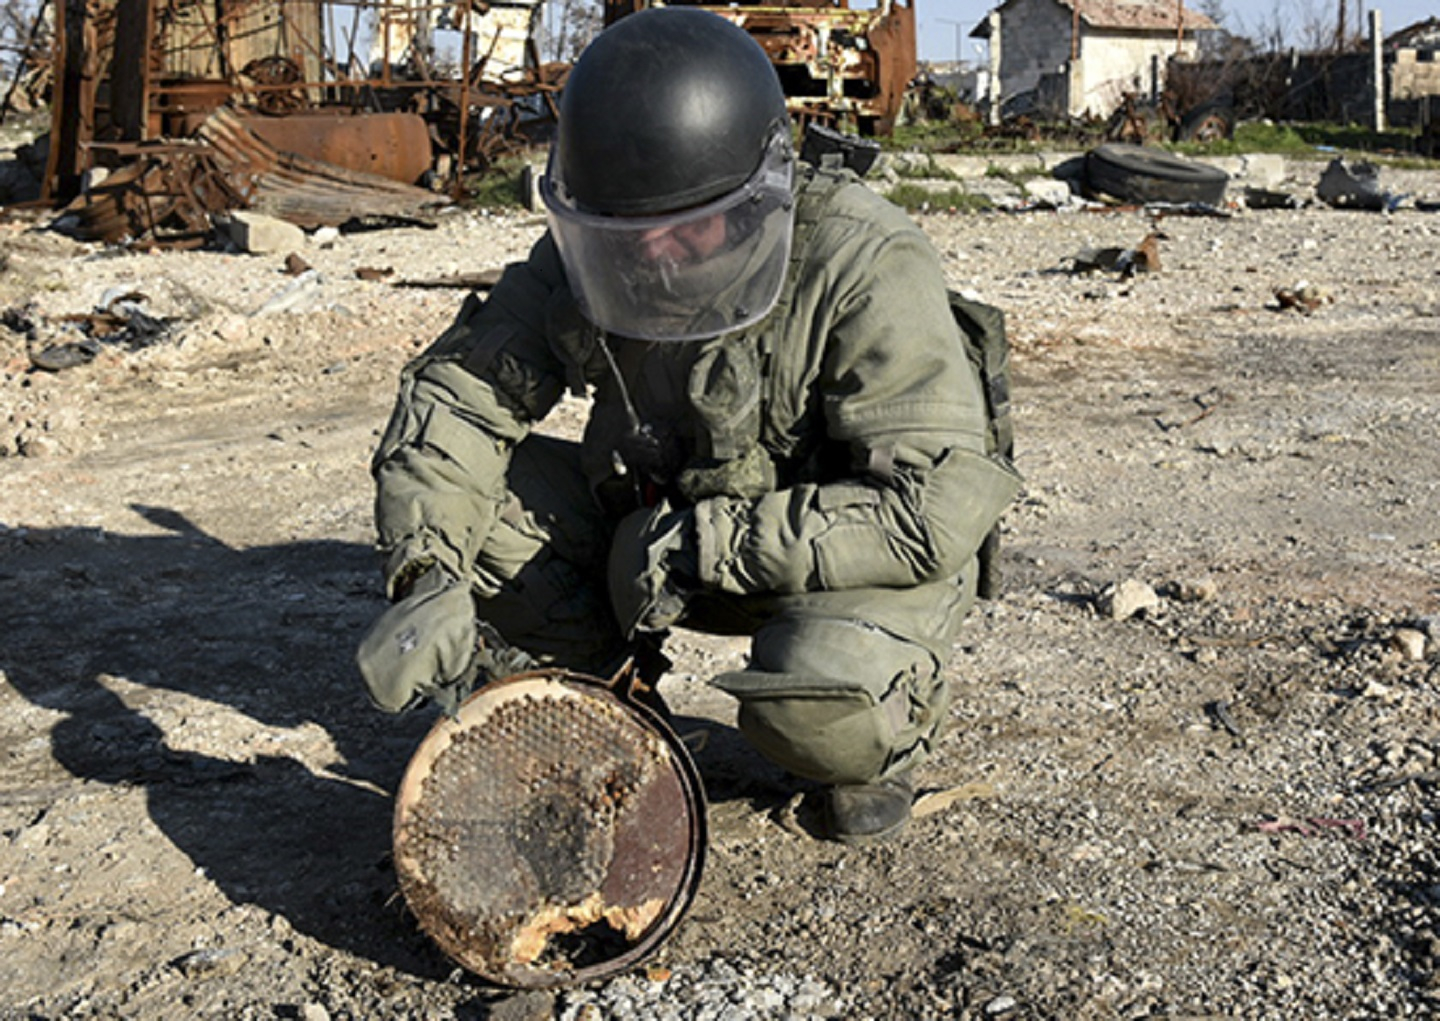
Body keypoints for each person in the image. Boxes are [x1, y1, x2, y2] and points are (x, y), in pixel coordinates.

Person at [355, 6, 1020, 844]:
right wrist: (426, 575)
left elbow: (931, 509)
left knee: (821, 709)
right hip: (654, 535)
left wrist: (705, 543)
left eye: (684, 228)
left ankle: (874, 748)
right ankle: (607, 701)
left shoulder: (866, 262)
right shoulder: (607, 236)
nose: (656, 256)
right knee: (478, 506)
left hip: (834, 561)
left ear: (756, 198)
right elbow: (458, 398)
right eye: (628, 236)